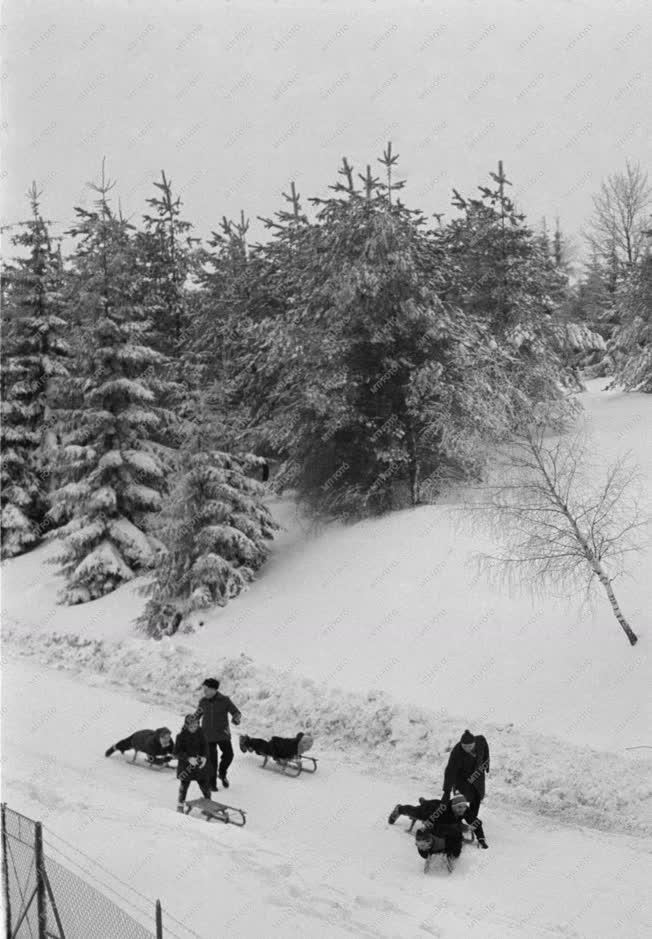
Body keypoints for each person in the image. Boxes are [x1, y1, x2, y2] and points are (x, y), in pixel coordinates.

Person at [441, 729, 490, 848]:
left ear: (474, 743)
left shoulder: (480, 741)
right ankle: (457, 821)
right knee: (461, 800)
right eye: (465, 746)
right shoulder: (457, 752)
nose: (467, 748)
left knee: (477, 798)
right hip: (462, 779)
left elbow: (486, 750)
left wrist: (486, 764)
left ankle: (472, 822)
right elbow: (450, 771)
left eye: (470, 746)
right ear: (461, 744)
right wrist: (447, 791)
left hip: (477, 776)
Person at [194, 678, 242, 790]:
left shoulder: (224, 700)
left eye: (206, 690)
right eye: (203, 689)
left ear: (213, 690)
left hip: (222, 734)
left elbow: (236, 712)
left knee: (229, 755)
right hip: (207, 736)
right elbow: (197, 716)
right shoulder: (203, 702)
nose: (204, 692)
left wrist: (236, 719)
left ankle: (222, 772)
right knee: (211, 760)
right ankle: (212, 784)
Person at [411, 794, 469, 864]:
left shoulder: (463, 810)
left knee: (452, 830)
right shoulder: (441, 812)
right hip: (432, 812)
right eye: (460, 807)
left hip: (442, 815)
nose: (462, 809)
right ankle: (422, 802)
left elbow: (455, 825)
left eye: (464, 807)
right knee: (416, 811)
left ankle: (424, 802)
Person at [174, 714, 212, 812]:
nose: (194, 728)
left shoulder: (201, 734)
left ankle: (208, 803)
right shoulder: (180, 736)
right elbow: (176, 752)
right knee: (184, 786)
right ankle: (180, 804)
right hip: (186, 766)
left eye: (196, 726)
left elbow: (205, 747)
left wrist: (204, 757)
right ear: (186, 726)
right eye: (191, 727)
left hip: (199, 765)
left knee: (205, 785)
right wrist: (188, 758)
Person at [105, 727, 174, 764]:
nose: (167, 740)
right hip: (138, 739)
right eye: (164, 738)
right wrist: (163, 760)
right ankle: (114, 747)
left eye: (168, 737)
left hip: (148, 733)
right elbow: (152, 759)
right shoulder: (151, 745)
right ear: (159, 738)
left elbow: (175, 751)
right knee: (126, 744)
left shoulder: (170, 741)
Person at [239, 731, 313, 761]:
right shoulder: (295, 746)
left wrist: (276, 757)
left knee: (260, 744)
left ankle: (247, 741)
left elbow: (281, 753)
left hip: (275, 746)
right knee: (260, 744)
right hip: (276, 745)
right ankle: (246, 741)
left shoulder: (295, 744)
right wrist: (276, 757)